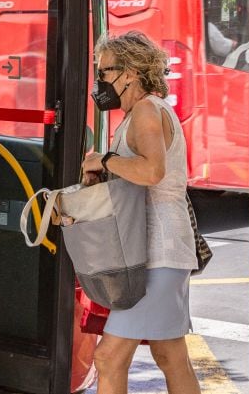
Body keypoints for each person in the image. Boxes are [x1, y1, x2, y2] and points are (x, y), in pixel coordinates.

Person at [81, 31, 200, 394]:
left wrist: (104, 159)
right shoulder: (140, 113)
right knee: (170, 356)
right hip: (159, 251)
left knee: (109, 358)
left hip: (157, 253)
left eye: (104, 73)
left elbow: (152, 172)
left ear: (129, 72)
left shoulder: (147, 110)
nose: (99, 82)